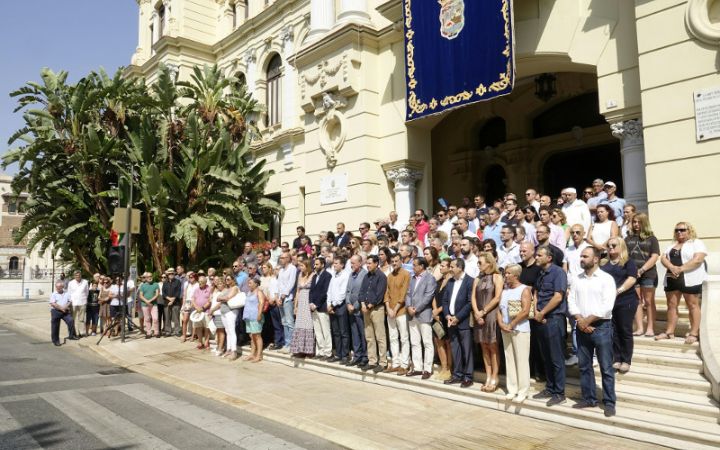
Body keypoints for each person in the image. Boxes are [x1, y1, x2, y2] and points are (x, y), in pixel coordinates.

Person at [568, 247, 618, 417]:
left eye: (585, 256)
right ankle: (589, 398)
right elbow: (571, 301)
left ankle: (609, 402)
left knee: (606, 367)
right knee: (584, 366)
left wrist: (585, 321)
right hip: (582, 327)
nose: (581, 259)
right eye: (581, 256)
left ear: (596, 259)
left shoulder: (606, 279)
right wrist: (580, 320)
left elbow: (607, 306)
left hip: (602, 327)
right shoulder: (577, 279)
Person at [658, 221, 707, 344]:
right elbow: (663, 258)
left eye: (682, 230)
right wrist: (672, 267)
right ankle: (669, 332)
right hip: (672, 278)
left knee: (693, 305)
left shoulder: (696, 243)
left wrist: (680, 269)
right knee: (671, 305)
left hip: (689, 278)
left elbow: (698, 259)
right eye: (677, 230)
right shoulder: (672, 245)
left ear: (689, 230)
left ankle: (694, 333)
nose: (679, 232)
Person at [532, 246, 568, 407]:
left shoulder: (558, 272)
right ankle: (550, 387)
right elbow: (536, 293)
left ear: (549, 258)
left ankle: (559, 392)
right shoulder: (540, 273)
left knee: (556, 357)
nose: (536, 257)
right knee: (546, 356)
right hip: (541, 319)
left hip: (554, 318)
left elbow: (558, 296)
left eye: (539, 255)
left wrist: (543, 312)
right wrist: (536, 311)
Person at [600, 237, 638, 373]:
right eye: (608, 245)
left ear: (621, 246)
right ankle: (617, 358)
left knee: (625, 330)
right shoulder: (604, 264)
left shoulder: (628, 262)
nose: (610, 247)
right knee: (614, 331)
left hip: (626, 300)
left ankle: (626, 360)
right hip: (610, 303)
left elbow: (632, 278)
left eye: (614, 245)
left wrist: (618, 291)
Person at [497, 264, 532, 402]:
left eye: (508, 273)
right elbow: (499, 310)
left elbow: (525, 310)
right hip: (506, 329)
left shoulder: (524, 289)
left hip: (520, 330)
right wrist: (501, 324)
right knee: (509, 359)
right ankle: (512, 389)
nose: (505, 275)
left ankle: (523, 391)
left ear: (516, 276)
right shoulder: (504, 291)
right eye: (505, 273)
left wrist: (511, 324)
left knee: (522, 361)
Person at [471, 252, 503, 392]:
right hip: (478, 314)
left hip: (491, 315)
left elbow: (497, 298)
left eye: (480, 262)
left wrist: (483, 312)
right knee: (484, 346)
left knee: (493, 346)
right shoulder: (477, 279)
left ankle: (495, 377)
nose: (478, 265)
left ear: (489, 263)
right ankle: (488, 375)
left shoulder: (497, 277)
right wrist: (477, 312)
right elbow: (472, 297)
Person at [625, 213, 660, 337]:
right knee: (636, 301)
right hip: (632, 274)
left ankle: (650, 328)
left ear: (644, 223)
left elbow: (655, 256)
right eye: (634, 222)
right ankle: (640, 328)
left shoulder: (651, 238)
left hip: (648, 273)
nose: (636, 224)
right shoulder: (628, 238)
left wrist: (642, 269)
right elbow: (625, 255)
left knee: (649, 301)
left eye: (639, 222)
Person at [442, 258, 475, 388]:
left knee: (466, 349)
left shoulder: (470, 281)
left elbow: (469, 302)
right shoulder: (450, 281)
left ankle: (468, 376)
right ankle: (457, 374)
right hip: (451, 321)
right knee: (455, 349)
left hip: (463, 322)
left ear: (460, 268)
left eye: (452, 266)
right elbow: (444, 301)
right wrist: (447, 315)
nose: (450, 268)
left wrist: (458, 317)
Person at [405, 257, 437, 379]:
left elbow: (428, 296)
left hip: (423, 314)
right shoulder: (412, 278)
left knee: (427, 342)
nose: (413, 267)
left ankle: (427, 369)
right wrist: (408, 306)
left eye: (414, 265)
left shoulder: (430, 278)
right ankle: (417, 367)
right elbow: (408, 293)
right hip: (412, 315)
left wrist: (416, 309)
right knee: (415, 342)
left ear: (422, 266)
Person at [359, 254, 388, 372]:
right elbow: (361, 292)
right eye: (367, 263)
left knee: (380, 336)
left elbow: (380, 294)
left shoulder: (381, 276)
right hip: (366, 309)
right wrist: (362, 304)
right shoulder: (366, 276)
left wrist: (370, 305)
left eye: (370, 263)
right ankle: (372, 361)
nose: (368, 265)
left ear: (376, 263)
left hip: (376, 309)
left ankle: (383, 362)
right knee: (369, 336)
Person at [385, 253, 411, 375]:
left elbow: (404, 293)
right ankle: (395, 363)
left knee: (404, 338)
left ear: (401, 261)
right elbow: (387, 293)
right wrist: (388, 308)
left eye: (396, 261)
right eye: (392, 261)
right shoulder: (390, 276)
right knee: (393, 338)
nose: (394, 263)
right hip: (390, 311)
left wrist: (395, 309)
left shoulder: (406, 274)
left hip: (401, 311)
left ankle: (405, 364)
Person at [431, 258, 452, 380]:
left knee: (448, 342)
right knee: (438, 341)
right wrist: (434, 311)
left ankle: (449, 368)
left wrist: (439, 311)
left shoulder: (452, 282)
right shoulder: (439, 281)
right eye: (441, 266)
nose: (441, 267)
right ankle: (443, 367)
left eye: (443, 266)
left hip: (446, 315)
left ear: (449, 268)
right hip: (436, 316)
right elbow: (434, 296)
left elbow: (449, 300)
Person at [345, 255, 369, 366]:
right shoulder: (351, 274)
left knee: (362, 333)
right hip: (350, 309)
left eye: (353, 263)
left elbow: (362, 292)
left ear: (360, 263)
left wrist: (354, 306)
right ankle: (357, 355)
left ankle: (365, 356)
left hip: (359, 309)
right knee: (354, 334)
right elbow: (348, 291)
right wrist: (348, 303)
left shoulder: (364, 274)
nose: (351, 265)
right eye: (351, 263)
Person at [328, 257, 352, 363]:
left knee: (344, 332)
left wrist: (333, 305)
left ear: (342, 265)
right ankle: (338, 354)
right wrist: (329, 304)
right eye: (334, 263)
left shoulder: (345, 275)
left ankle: (345, 355)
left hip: (340, 306)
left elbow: (343, 293)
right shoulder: (333, 275)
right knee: (336, 332)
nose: (334, 265)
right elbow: (329, 291)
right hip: (332, 306)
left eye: (336, 263)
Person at [289, 260, 315, 356]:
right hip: (301, 302)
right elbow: (297, 291)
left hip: (308, 301)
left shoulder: (313, 275)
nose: (300, 268)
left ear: (307, 266)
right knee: (299, 324)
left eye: (302, 265)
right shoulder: (300, 275)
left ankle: (309, 351)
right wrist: (295, 306)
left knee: (308, 325)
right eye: (299, 266)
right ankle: (299, 349)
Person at [309, 257, 332, 359]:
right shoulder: (314, 276)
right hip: (313, 308)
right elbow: (311, 291)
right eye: (315, 264)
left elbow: (324, 292)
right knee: (317, 331)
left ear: (323, 265)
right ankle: (320, 351)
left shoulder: (327, 276)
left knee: (325, 331)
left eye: (317, 264)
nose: (315, 266)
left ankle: (327, 352)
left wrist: (316, 304)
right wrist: (310, 303)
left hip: (321, 307)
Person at [277, 252, 298, 353]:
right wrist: (279, 297)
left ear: (288, 259)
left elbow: (291, 283)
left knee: (290, 322)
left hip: (288, 298)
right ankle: (286, 343)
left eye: (283, 258)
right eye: (280, 258)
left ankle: (291, 344)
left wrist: (284, 295)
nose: (281, 259)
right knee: (284, 322)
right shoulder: (281, 270)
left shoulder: (292, 268)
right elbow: (279, 284)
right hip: (281, 298)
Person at [217, 274, 240, 360]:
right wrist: (222, 298)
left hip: (231, 311)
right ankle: (228, 349)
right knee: (228, 331)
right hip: (223, 311)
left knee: (232, 330)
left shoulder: (235, 288)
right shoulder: (227, 289)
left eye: (229, 279)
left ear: (233, 280)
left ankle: (234, 351)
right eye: (226, 279)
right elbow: (217, 298)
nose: (227, 281)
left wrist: (221, 298)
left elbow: (227, 298)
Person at [243, 277, 266, 362]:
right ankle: (252, 354)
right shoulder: (249, 292)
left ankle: (259, 355)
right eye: (248, 283)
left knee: (257, 336)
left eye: (250, 283)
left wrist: (259, 314)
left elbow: (261, 303)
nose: (249, 285)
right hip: (248, 317)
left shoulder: (259, 292)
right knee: (252, 336)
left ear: (256, 284)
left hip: (255, 316)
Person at [50, 280, 79, 346]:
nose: (57, 288)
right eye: (56, 286)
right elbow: (53, 303)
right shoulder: (53, 294)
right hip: (56, 311)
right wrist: (61, 308)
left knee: (71, 321)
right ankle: (56, 341)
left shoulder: (67, 293)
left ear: (62, 287)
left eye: (59, 287)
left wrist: (65, 307)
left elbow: (69, 301)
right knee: (55, 326)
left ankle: (72, 336)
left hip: (65, 311)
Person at [192, 274, 213, 350]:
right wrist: (197, 307)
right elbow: (193, 300)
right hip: (197, 312)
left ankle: (206, 342)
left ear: (205, 282)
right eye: (199, 281)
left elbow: (210, 301)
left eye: (201, 282)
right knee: (198, 327)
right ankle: (200, 342)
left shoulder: (209, 289)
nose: (200, 283)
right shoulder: (196, 290)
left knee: (206, 327)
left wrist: (203, 307)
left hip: (206, 311)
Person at [208, 276, 226, 356]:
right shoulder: (216, 292)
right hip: (215, 314)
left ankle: (221, 348)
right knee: (218, 331)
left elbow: (220, 304)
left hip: (220, 313)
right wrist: (211, 312)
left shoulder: (224, 292)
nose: (219, 285)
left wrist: (212, 310)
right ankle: (218, 346)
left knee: (221, 331)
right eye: (218, 284)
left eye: (221, 284)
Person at [138, 272, 160, 339]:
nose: (150, 277)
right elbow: (140, 295)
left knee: (155, 318)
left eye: (151, 276)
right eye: (148, 277)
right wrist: (147, 301)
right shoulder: (142, 285)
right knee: (147, 319)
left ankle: (156, 332)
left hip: (154, 304)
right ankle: (149, 333)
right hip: (145, 305)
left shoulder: (156, 284)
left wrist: (150, 301)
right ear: (146, 278)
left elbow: (157, 294)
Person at [67, 271, 88, 338]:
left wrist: (84, 299)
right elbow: (69, 293)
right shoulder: (71, 283)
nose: (78, 277)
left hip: (82, 302)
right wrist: (69, 302)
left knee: (81, 319)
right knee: (72, 319)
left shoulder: (85, 282)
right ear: (74, 276)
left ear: (81, 275)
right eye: (76, 275)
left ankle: (81, 333)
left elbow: (87, 292)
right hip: (73, 302)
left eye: (79, 275)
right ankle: (73, 333)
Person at [162, 268, 183, 337]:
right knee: (167, 317)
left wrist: (172, 299)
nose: (171, 275)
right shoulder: (165, 282)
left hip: (176, 302)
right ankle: (168, 331)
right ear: (167, 275)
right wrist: (169, 299)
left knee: (176, 317)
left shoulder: (178, 282)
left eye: (172, 273)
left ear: (174, 274)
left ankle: (177, 331)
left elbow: (178, 292)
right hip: (167, 303)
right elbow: (163, 293)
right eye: (169, 274)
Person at [181, 272, 198, 342]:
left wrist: (193, 304)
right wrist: (183, 304)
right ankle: (184, 335)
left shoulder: (197, 285)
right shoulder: (187, 284)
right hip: (187, 302)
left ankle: (193, 336)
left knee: (193, 320)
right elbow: (184, 295)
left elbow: (197, 296)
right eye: (189, 277)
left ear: (195, 278)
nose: (190, 279)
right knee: (185, 320)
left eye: (192, 277)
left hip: (195, 302)